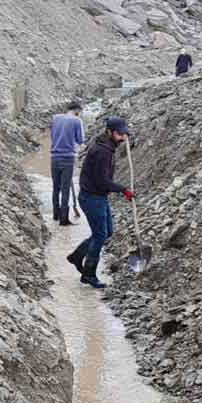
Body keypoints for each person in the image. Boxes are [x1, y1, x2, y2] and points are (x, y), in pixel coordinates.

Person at [66, 117, 135, 289]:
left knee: (107, 232)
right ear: (109, 132)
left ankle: (77, 255)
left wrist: (120, 190)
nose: (123, 138)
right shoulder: (103, 152)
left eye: (124, 134)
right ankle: (89, 274)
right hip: (92, 197)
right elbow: (102, 181)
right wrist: (123, 190)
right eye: (119, 134)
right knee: (99, 235)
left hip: (98, 196)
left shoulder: (108, 147)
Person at [49, 102, 85, 225]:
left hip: (54, 157)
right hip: (68, 158)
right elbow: (80, 140)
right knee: (65, 189)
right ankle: (64, 219)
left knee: (56, 187)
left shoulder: (55, 118)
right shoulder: (77, 120)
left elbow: (52, 135)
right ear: (77, 110)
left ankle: (55, 215)